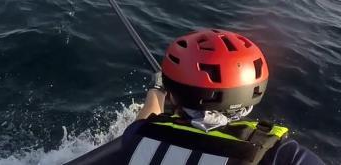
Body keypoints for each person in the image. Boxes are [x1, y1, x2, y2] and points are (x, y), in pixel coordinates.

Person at [120, 29, 324, 165]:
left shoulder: (139, 134)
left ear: (173, 95)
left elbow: (146, 120)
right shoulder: (277, 152)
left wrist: (158, 89)